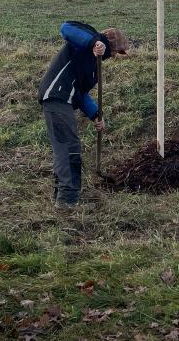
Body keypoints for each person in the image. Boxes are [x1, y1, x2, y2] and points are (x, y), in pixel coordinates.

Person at [38, 22, 129, 208]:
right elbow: (65, 28)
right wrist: (94, 42)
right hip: (57, 96)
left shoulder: (93, 66)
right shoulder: (85, 43)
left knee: (66, 146)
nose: (113, 56)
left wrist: (96, 114)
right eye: (115, 52)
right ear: (110, 46)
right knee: (68, 147)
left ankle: (62, 195)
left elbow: (81, 93)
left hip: (65, 99)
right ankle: (68, 199)